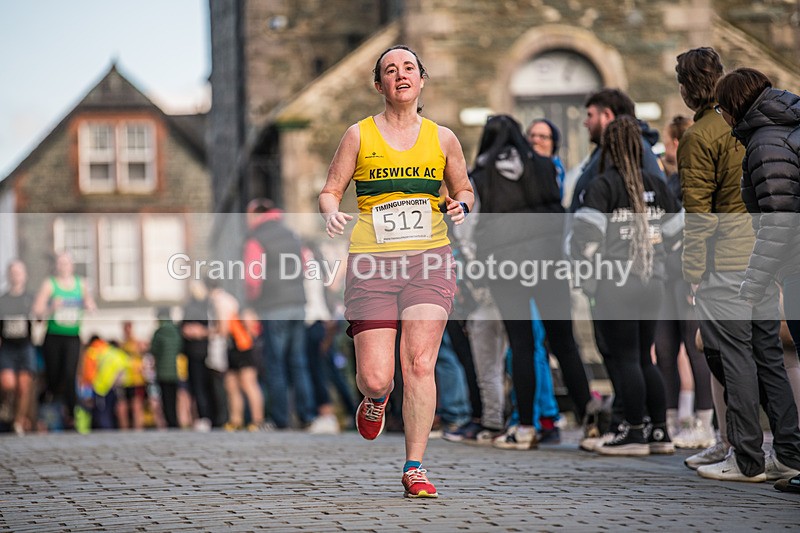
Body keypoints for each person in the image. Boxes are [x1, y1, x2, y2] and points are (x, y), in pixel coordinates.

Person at [318, 45, 473, 498]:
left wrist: (460, 203)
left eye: (409, 68)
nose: (400, 75)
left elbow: (464, 186)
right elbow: (331, 190)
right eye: (390, 70)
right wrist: (330, 213)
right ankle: (375, 399)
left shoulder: (442, 138)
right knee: (377, 375)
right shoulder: (358, 136)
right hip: (372, 265)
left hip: (430, 260)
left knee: (421, 363)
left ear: (421, 80)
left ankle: (415, 466)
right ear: (379, 84)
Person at [677, 47, 800, 482]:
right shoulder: (762, 128)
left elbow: (698, 214)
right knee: (768, 357)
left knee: (735, 359)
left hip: (725, 262)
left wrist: (692, 273)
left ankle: (745, 457)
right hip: (760, 259)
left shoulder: (703, 137)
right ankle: (788, 452)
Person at [470, 114, 595, 450]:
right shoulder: (543, 165)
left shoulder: (480, 175)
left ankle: (525, 427)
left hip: (504, 268)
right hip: (548, 262)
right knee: (564, 342)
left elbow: (471, 224)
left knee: (521, 344)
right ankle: (590, 420)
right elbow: (560, 211)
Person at [571, 116, 682, 456]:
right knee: (646, 358)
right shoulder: (659, 183)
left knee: (626, 358)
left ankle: (632, 433)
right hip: (654, 283)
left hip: (615, 283)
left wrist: (589, 277)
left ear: (609, 147)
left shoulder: (603, 185)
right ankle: (659, 432)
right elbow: (678, 235)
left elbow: (584, 242)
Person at [714, 67, 800, 490]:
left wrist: (755, 283)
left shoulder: (766, 142)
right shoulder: (783, 127)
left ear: (732, 106)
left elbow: (779, 221)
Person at [655, 115, 716, 449]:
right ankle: (669, 419)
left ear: (677, 143)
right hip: (667, 273)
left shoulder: (691, 177)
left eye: (667, 142)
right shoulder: (671, 178)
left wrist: (663, 232)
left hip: (688, 273)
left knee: (695, 347)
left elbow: (690, 219)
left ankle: (704, 422)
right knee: (664, 347)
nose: (665, 148)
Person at [243, 198, 316, 429]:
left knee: (275, 363)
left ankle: (280, 418)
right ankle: (306, 415)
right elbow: (307, 265)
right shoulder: (292, 234)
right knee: (299, 361)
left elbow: (253, 277)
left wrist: (252, 302)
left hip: (274, 306)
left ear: (256, 214)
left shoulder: (256, 238)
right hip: (298, 303)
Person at [32, 252, 96, 429]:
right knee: (54, 376)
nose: (64, 266)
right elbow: (37, 310)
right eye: (61, 263)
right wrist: (51, 307)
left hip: (72, 337)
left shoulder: (80, 284)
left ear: (72, 266)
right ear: (57, 266)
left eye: (67, 263)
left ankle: (71, 413)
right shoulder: (49, 285)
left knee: (70, 373)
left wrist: (90, 306)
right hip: (53, 337)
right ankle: (48, 399)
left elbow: (90, 303)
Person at [0, 260, 36, 435]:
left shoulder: (30, 298)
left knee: (23, 386)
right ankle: (6, 405)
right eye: (13, 272)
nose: (16, 276)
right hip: (7, 346)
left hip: (25, 346)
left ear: (25, 275)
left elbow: (40, 318)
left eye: (19, 272)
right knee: (7, 384)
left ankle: (18, 421)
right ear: (8, 275)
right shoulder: (3, 299)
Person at [150, 307, 182, 429]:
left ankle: (170, 421)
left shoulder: (159, 332)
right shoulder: (176, 330)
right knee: (174, 397)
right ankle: (175, 421)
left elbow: (154, 349)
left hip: (162, 370)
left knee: (165, 398)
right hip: (175, 370)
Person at [527, 118, 566, 197]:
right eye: (532, 135)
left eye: (543, 137)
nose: (535, 140)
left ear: (553, 143)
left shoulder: (556, 168)